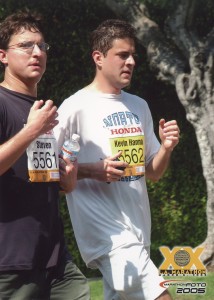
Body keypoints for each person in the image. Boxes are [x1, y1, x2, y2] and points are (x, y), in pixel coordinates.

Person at [54, 19, 180, 300]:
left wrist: (166, 148)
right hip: (107, 235)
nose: (132, 61)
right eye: (123, 55)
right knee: (160, 296)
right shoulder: (74, 107)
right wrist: (91, 170)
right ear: (98, 57)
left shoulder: (139, 105)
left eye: (133, 55)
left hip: (137, 230)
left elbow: (153, 173)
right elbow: (45, 167)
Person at [0, 10, 90, 300]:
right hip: (11, 262)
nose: (36, 52)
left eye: (41, 46)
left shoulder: (40, 109)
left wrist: (66, 178)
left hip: (54, 259)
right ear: (3, 56)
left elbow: (42, 177)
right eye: (25, 45)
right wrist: (31, 131)